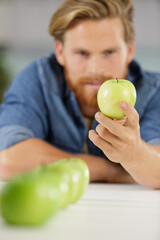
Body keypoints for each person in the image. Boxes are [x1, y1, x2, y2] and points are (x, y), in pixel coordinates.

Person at [0, 0, 160, 188]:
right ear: (60, 52)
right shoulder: (38, 79)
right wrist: (111, 170)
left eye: (109, 52)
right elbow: (8, 160)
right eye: (82, 53)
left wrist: (136, 153)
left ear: (130, 50)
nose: (96, 69)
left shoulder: (153, 91)